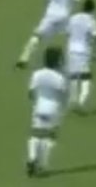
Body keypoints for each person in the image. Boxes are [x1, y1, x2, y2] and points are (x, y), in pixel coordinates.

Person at [16, 0, 80, 69]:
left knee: (37, 36)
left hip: (51, 14)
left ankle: (23, 59)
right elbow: (75, 2)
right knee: (73, 38)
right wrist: (70, 15)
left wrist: (48, 10)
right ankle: (74, 64)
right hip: (64, 16)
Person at [27, 47, 68, 177]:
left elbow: (31, 92)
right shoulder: (59, 78)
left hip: (39, 105)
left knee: (35, 135)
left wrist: (36, 100)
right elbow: (62, 95)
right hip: (53, 108)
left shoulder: (37, 74)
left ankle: (32, 158)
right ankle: (42, 165)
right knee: (48, 137)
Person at [65, 0, 96, 112]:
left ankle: (72, 100)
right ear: (92, 9)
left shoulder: (73, 18)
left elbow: (68, 33)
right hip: (83, 52)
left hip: (71, 50)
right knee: (86, 77)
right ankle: (81, 102)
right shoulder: (91, 20)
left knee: (73, 76)